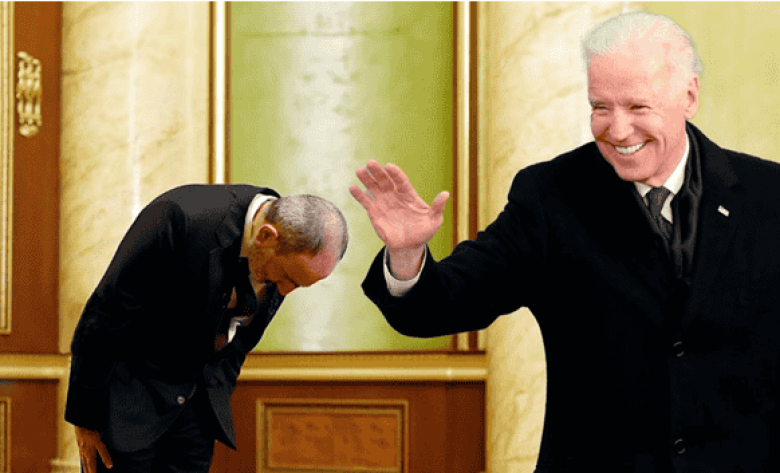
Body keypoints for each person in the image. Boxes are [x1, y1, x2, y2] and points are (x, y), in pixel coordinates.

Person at [351, 10, 780, 472]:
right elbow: (447, 303)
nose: (617, 130)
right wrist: (407, 252)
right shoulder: (550, 197)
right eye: (600, 107)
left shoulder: (769, 196)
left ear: (689, 96)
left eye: (637, 107)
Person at [66, 184, 348, 473]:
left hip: (195, 420)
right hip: (127, 407)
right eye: (287, 278)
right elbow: (105, 314)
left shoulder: (286, 250)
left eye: (299, 285)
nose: (285, 291)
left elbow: (239, 341)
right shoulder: (180, 216)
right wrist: (85, 418)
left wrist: (212, 401)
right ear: (266, 236)